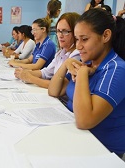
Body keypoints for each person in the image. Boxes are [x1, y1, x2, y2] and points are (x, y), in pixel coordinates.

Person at [48, 9, 125, 157]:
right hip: (76, 139)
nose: (78, 46)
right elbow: (54, 90)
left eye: (84, 39)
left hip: (101, 151)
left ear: (106, 36)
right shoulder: (89, 61)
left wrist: (82, 73)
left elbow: (84, 121)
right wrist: (66, 64)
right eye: (77, 39)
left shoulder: (117, 69)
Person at [14, 12, 80, 89]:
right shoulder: (61, 52)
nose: (60, 35)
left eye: (65, 31)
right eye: (58, 31)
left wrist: (29, 77)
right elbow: (46, 72)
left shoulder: (76, 55)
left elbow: (60, 86)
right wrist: (26, 73)